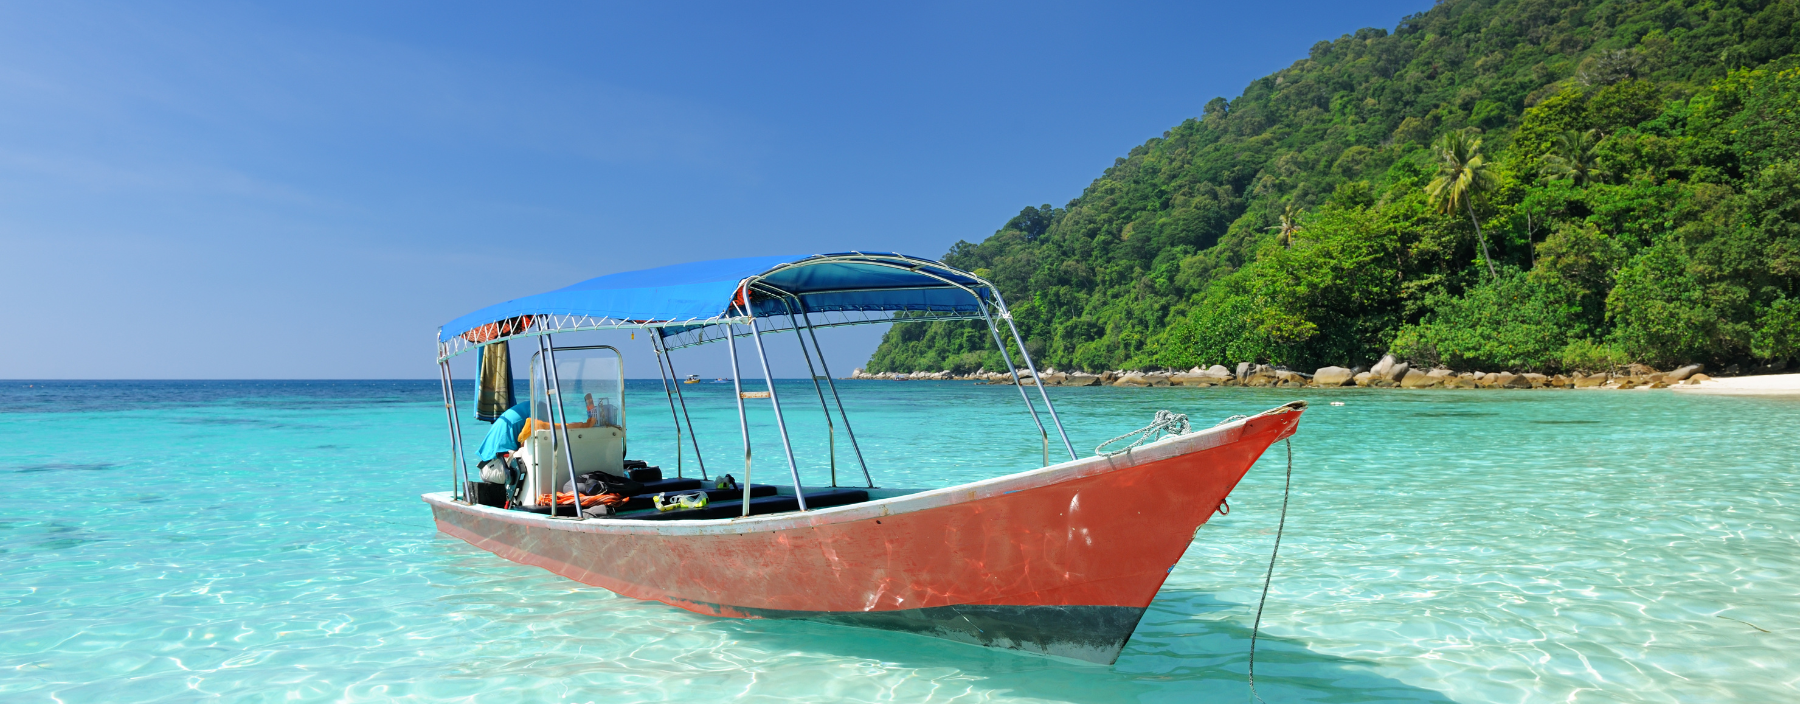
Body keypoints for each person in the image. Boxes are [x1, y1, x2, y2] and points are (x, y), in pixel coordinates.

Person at [476, 401, 530, 483]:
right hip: (496, 467)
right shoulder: (536, 413)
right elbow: (526, 445)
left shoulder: (528, 407)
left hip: (490, 466)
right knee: (531, 451)